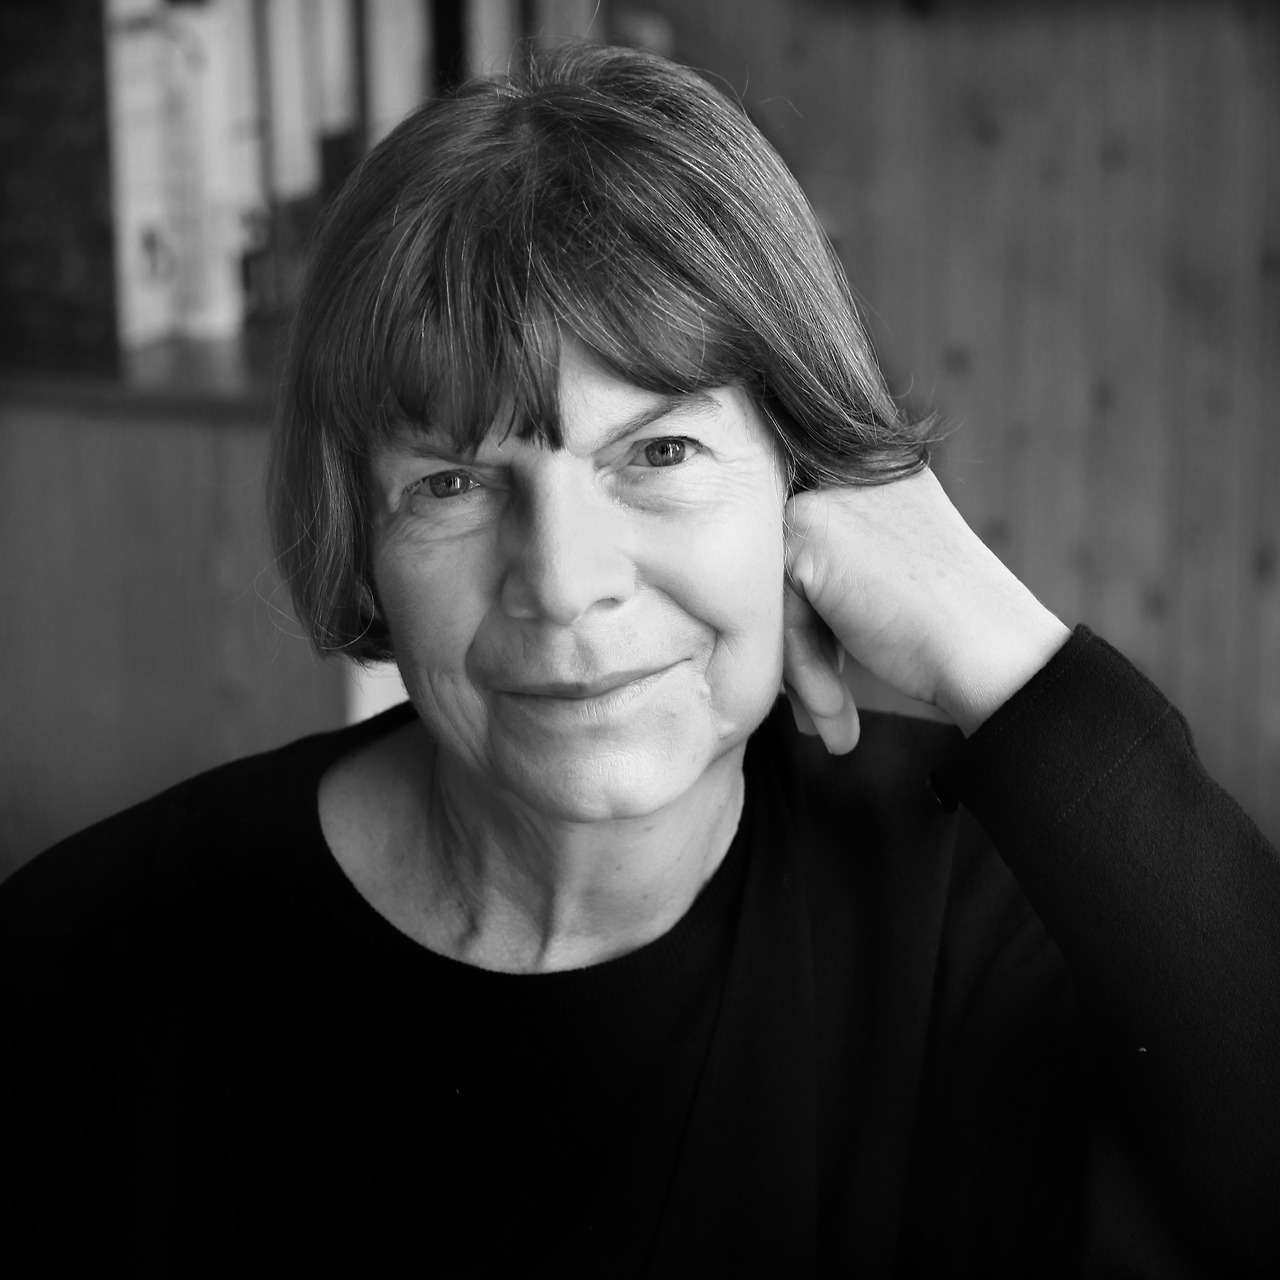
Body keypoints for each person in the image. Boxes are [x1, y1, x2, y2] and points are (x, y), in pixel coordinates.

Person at [1, 41, 1277, 1278]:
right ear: (366, 545)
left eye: (658, 452)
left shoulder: (985, 910)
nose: (562, 581)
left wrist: (999, 647)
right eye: (451, 482)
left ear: (806, 475)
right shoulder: (84, 964)